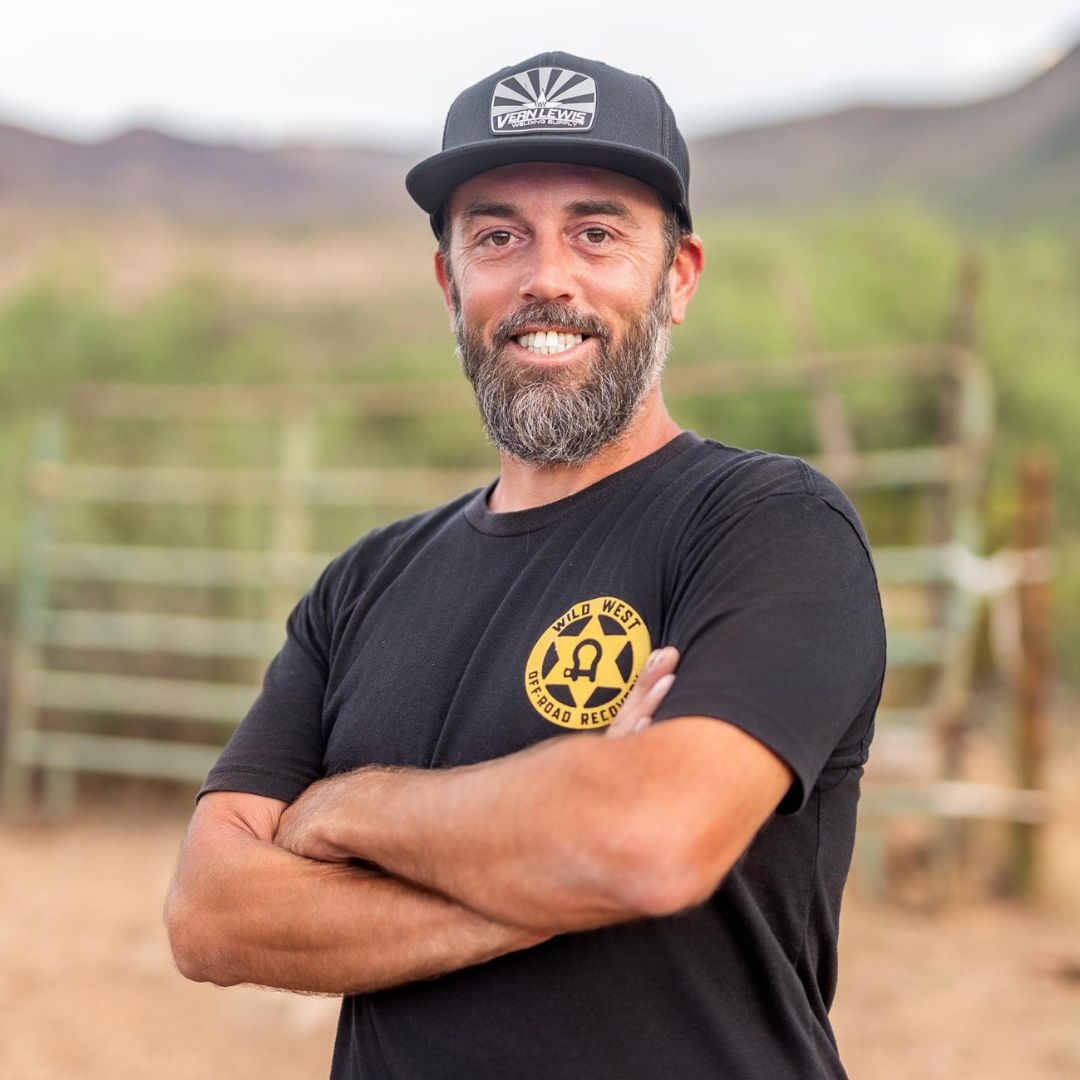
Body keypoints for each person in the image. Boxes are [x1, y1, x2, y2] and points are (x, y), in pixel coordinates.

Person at [166, 51, 886, 1080]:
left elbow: (645, 843)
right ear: (448, 279)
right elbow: (211, 915)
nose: (546, 277)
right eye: (498, 235)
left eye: (596, 233)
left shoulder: (771, 528)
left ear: (676, 277)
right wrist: (553, 868)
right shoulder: (364, 585)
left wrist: (346, 808)